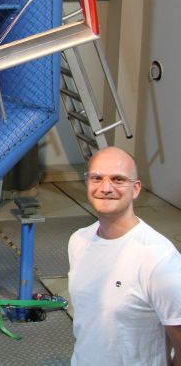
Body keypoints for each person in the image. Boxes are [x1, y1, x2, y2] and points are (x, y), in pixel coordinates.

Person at [68, 146, 181, 365]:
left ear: (136, 188)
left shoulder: (159, 260)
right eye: (97, 178)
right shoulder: (79, 241)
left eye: (118, 179)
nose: (106, 187)